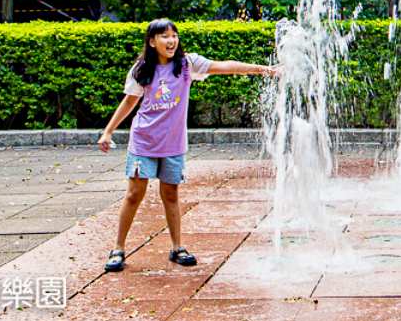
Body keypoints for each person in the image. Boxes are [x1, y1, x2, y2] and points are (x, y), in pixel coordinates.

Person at [96, 18, 279, 272]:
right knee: (134, 194)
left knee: (171, 194)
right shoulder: (141, 69)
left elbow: (224, 66)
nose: (171, 41)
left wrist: (264, 69)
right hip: (144, 142)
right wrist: (108, 132)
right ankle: (118, 249)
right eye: (164, 36)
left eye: (174, 35)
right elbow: (129, 103)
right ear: (152, 41)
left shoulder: (187, 64)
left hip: (173, 144)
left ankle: (177, 247)